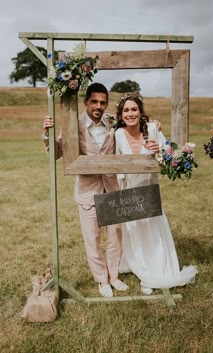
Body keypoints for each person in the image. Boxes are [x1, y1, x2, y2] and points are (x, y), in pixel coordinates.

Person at [42, 83, 131, 298]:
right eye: (94, 102)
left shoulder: (112, 121)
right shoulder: (75, 124)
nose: (98, 106)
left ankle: (114, 276)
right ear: (86, 102)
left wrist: (152, 124)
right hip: (87, 191)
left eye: (102, 102)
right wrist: (47, 133)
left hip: (112, 188)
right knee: (92, 238)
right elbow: (57, 153)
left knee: (115, 237)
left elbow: (134, 123)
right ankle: (102, 280)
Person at [114, 93, 198, 295]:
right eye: (126, 110)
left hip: (150, 190)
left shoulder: (152, 129)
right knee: (135, 232)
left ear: (141, 111)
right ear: (120, 114)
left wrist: (159, 148)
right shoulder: (117, 134)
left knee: (152, 230)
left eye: (134, 109)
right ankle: (142, 271)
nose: (130, 113)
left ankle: (155, 272)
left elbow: (169, 153)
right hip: (129, 190)